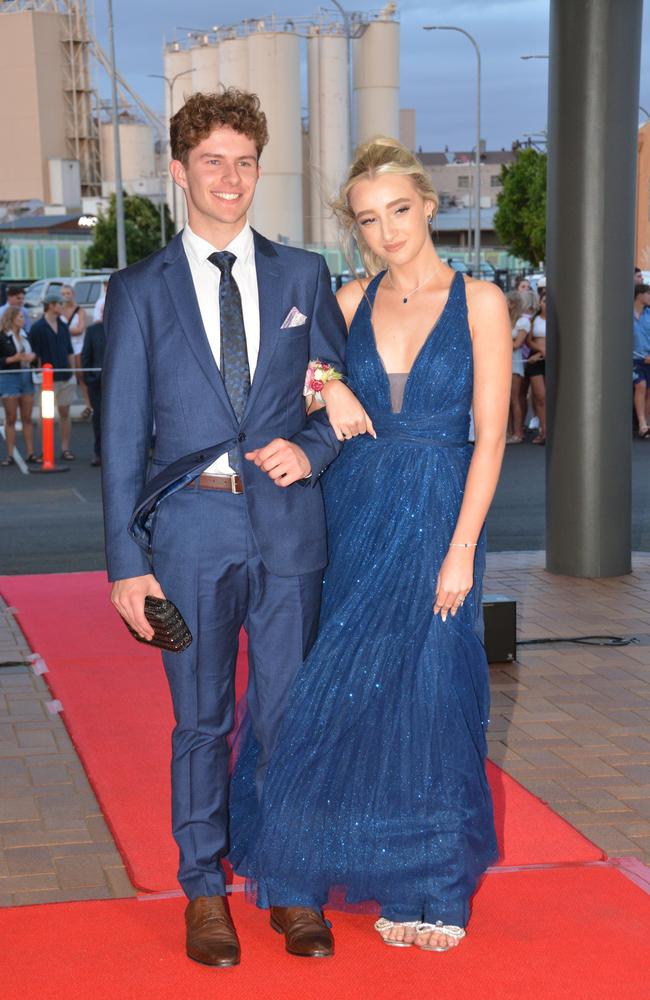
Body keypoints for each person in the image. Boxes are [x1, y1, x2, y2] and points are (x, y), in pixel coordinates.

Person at [229, 136, 511, 954]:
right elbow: (294, 374)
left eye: (398, 210)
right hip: (350, 511)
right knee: (344, 689)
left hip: (437, 516)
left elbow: (490, 439)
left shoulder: (482, 302)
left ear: (428, 204)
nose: (387, 231)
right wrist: (332, 382)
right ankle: (337, 854)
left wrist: (462, 550)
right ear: (354, 231)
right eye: (367, 220)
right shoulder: (348, 300)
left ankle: (428, 885)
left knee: (431, 692)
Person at [101, 88, 351, 969]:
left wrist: (312, 452)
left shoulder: (302, 275)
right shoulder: (136, 291)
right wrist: (126, 568)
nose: (232, 177)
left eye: (245, 160)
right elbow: (122, 440)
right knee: (201, 724)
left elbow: (331, 389)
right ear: (180, 172)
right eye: (213, 161)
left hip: (288, 531)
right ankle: (203, 890)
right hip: (191, 534)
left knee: (289, 717)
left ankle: (290, 887)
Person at [28, 292, 75, 460]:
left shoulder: (63, 326)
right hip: (47, 380)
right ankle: (46, 449)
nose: (62, 307)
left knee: (65, 412)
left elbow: (69, 351)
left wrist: (73, 372)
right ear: (51, 305)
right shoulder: (37, 328)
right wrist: (38, 375)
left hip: (65, 376)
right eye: (60, 304)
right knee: (45, 415)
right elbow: (34, 354)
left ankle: (65, 448)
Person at [0, 306, 39, 465]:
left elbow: (34, 356)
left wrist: (33, 357)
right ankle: (9, 454)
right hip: (9, 377)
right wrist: (13, 358)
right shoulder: (2, 337)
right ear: (12, 318)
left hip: (26, 375)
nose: (24, 320)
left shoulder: (25, 336)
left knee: (27, 418)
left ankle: (30, 453)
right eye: (21, 317)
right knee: (11, 417)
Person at [60, 283, 91, 419]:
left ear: (73, 294)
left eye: (68, 293)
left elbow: (80, 329)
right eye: (63, 294)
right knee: (65, 378)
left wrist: (63, 331)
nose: (66, 296)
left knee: (81, 377)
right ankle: (65, 406)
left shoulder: (80, 311)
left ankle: (88, 405)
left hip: (78, 347)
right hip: (64, 348)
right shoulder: (59, 310)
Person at [80, 301, 105, 466]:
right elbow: (85, 357)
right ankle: (99, 453)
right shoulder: (92, 331)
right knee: (98, 419)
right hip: (96, 383)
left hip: (120, 384)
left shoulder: (122, 329)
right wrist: (89, 379)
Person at [505, 290, 529, 443]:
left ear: (513, 304)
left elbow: (517, 344)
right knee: (505, 401)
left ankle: (518, 432)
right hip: (504, 363)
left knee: (515, 399)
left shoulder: (522, 322)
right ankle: (507, 432)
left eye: (507, 301)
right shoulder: (503, 320)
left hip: (515, 363)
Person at [524, 288, 546, 444]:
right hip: (535, 360)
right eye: (544, 301)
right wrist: (540, 350)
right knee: (539, 397)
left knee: (551, 398)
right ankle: (543, 430)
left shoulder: (557, 319)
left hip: (548, 359)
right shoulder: (534, 319)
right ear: (540, 302)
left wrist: (541, 353)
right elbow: (529, 340)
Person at [633, 283, 650, 438]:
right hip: (634, 360)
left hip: (649, 358)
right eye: (648, 293)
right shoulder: (626, 315)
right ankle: (642, 423)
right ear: (639, 295)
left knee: (648, 391)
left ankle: (646, 426)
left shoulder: (649, 314)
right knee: (641, 386)